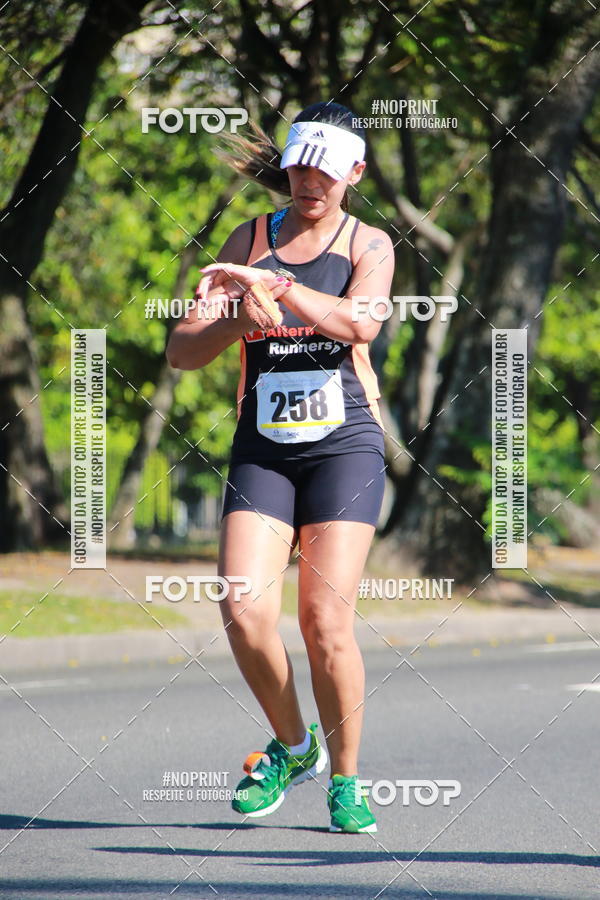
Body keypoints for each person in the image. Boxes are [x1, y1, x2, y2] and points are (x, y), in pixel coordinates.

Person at [166, 101, 394, 833]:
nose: (310, 183)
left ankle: (347, 782)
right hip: (264, 446)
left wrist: (279, 289)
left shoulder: (369, 243)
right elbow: (182, 350)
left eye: (326, 171)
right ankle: (296, 748)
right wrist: (239, 315)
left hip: (344, 446)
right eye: (300, 168)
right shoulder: (250, 238)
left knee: (324, 621)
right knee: (242, 609)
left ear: (355, 173)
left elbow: (359, 322)